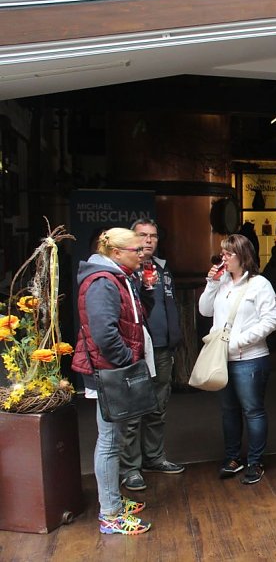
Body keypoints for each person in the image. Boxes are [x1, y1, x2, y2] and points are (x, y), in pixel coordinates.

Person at [71, 228, 153, 535]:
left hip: (111, 369)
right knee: (109, 441)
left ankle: (113, 501)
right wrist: (128, 363)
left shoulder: (119, 278)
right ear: (116, 253)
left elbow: (136, 319)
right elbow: (105, 334)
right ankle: (111, 515)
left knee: (114, 439)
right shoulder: (103, 282)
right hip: (109, 372)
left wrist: (145, 290)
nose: (141, 253)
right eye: (136, 250)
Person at [199, 234, 276, 485]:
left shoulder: (260, 284)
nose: (223, 257)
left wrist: (238, 341)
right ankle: (233, 458)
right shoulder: (221, 282)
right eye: (222, 253)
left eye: (228, 254)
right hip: (223, 359)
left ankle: (255, 462)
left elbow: (272, 320)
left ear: (243, 256)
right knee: (228, 411)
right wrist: (211, 284)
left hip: (250, 359)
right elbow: (204, 310)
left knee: (252, 410)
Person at [119, 219, 185, 493]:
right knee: (133, 413)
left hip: (162, 349)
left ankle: (154, 458)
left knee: (158, 409)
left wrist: (174, 338)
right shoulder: (124, 271)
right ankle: (130, 469)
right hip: (136, 352)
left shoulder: (162, 268)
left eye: (153, 236)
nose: (148, 240)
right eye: (143, 236)